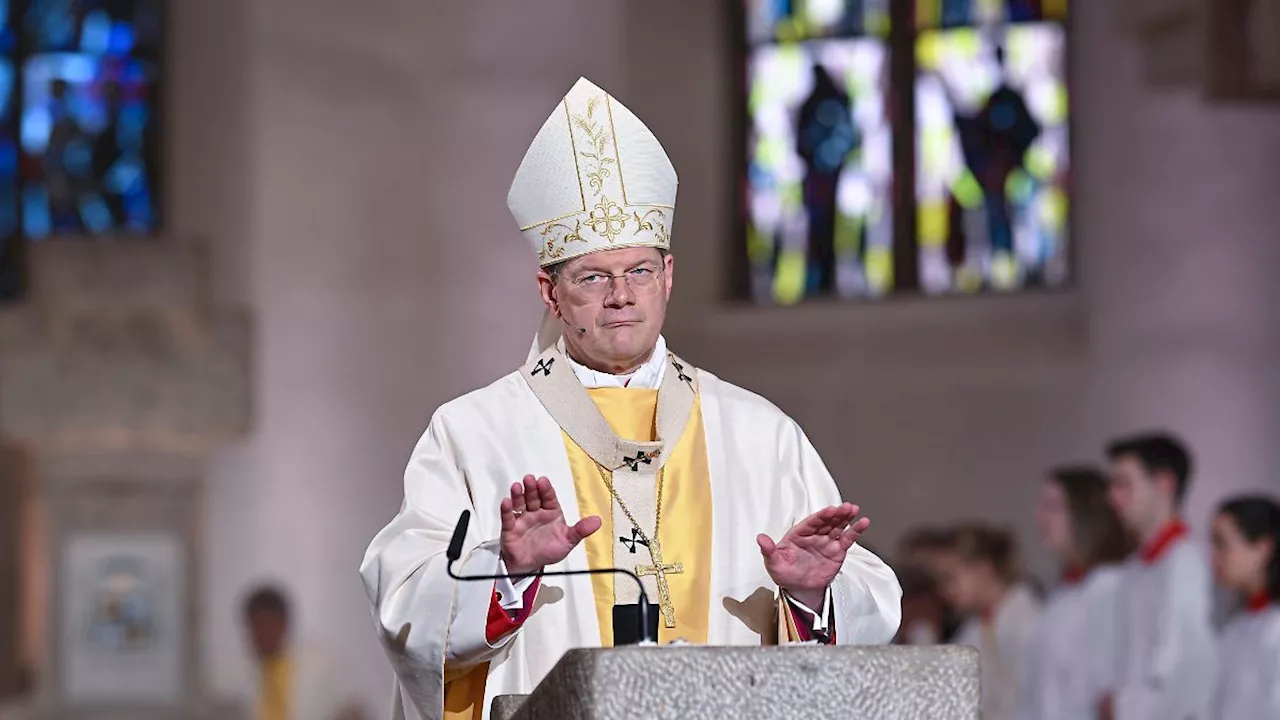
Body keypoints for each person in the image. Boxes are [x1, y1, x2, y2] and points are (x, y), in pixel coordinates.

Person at [359, 77, 902, 720]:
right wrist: (504, 573)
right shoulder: (473, 434)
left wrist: (813, 597)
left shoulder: (759, 434)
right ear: (549, 291)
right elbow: (405, 605)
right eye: (594, 277)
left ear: (668, 278)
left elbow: (873, 601)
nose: (622, 295)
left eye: (640, 271)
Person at [1101, 432, 1215, 720]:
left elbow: (1183, 675)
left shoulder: (1189, 565)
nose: (1112, 498)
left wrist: (1126, 706)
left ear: (1164, 484)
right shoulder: (1133, 569)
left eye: (1124, 484)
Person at [1024, 466, 1133, 720]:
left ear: (1086, 515)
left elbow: (1106, 693)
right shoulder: (1065, 591)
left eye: (1052, 506)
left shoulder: (1112, 589)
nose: (1040, 517)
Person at [935, 522, 1040, 720]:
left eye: (950, 578)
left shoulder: (1027, 621)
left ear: (982, 570)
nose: (945, 590)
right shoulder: (974, 627)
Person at [240, 585, 363, 720]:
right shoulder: (238, 677)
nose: (262, 633)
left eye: (268, 624)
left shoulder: (320, 665)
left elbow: (353, 709)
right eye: (256, 626)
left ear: (283, 623)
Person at [1209, 495, 1280, 720]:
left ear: (1262, 548)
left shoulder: (1275, 631)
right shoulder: (1235, 626)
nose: (1214, 558)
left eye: (1222, 544)